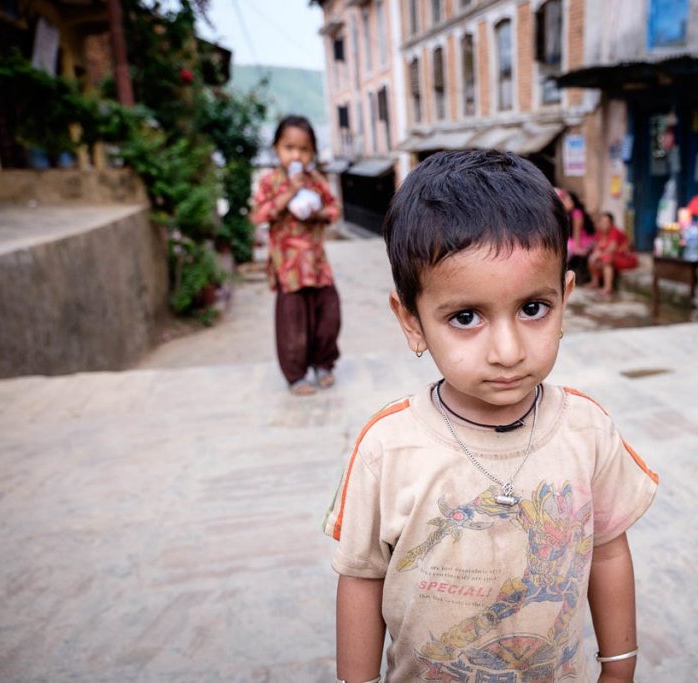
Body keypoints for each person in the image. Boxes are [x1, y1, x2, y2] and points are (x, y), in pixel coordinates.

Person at [323, 150, 658, 683]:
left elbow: (609, 552)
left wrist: (619, 667)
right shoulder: (388, 449)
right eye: (465, 317)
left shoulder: (586, 430)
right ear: (411, 322)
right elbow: (362, 579)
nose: (507, 350)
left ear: (564, 299)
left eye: (532, 309)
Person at [251, 115, 342, 396]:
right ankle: (296, 376)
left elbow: (334, 210)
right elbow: (259, 215)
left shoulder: (316, 181)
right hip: (289, 270)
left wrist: (317, 213)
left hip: (317, 266)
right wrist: (289, 193)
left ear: (312, 152)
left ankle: (323, 364)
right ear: (276, 148)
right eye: (289, 147)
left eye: (303, 149)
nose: (296, 155)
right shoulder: (270, 182)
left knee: (329, 317)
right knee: (293, 326)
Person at [588, 211, 639, 297]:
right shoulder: (599, 234)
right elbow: (596, 248)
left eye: (606, 222)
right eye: (601, 222)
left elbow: (611, 249)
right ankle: (595, 282)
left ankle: (608, 288)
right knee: (592, 258)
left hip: (625, 258)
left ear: (611, 223)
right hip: (613, 258)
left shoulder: (614, 232)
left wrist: (598, 255)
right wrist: (595, 255)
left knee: (606, 258)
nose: (603, 224)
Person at [558, 188, 593, 284]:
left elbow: (577, 232)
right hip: (574, 240)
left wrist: (577, 248)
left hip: (582, 241)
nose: (565, 202)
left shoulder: (577, 213)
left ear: (573, 201)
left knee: (565, 248)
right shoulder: (568, 214)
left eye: (567, 200)